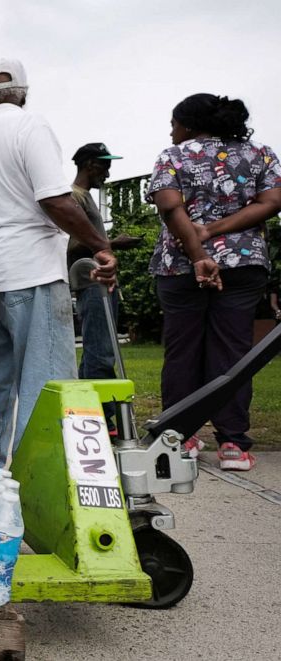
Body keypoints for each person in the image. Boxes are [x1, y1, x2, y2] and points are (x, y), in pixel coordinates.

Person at [0, 59, 116, 453]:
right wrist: (101, 245)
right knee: (47, 384)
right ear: (22, 92)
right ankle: (37, 486)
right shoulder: (28, 126)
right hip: (30, 272)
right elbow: (54, 199)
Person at [147, 93, 281, 471]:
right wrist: (216, 231)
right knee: (234, 351)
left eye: (174, 124)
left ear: (187, 124)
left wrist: (198, 253)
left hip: (180, 265)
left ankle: (178, 438)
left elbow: (170, 207)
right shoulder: (261, 154)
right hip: (243, 262)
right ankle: (233, 445)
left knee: (182, 350)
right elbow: (271, 202)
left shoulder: (173, 156)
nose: (171, 132)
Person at [67, 144, 141, 411]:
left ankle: (88, 413)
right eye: (104, 165)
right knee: (101, 353)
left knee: (96, 352)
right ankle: (106, 417)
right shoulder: (74, 197)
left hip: (100, 283)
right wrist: (114, 244)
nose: (108, 173)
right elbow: (72, 245)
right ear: (89, 165)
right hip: (91, 284)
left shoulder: (84, 196)